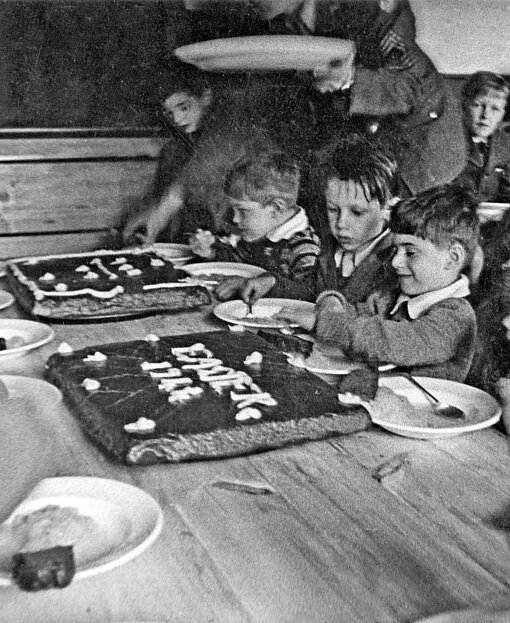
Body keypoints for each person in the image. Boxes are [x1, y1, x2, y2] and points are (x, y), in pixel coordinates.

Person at [277, 185, 480, 382]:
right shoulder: (395, 295)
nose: (395, 262)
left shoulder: (456, 315)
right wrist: (331, 299)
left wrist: (325, 322)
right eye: (396, 251)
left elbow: (393, 341)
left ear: (453, 258)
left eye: (410, 252)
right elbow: (357, 313)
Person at [216, 134, 398, 304]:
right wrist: (272, 282)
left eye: (357, 212)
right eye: (333, 209)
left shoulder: (395, 265)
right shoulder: (333, 252)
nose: (341, 224)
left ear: (389, 208)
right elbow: (311, 292)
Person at [122, 60, 274, 245]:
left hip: (257, 235)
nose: (177, 119)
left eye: (184, 107)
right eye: (169, 113)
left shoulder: (228, 128)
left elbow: (188, 183)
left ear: (206, 97)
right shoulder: (177, 147)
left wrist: (154, 220)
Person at [189, 151, 321, 283]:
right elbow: (238, 262)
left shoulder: (304, 247)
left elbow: (309, 292)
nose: (235, 219)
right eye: (233, 210)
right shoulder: (261, 232)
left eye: (243, 211)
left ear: (276, 208)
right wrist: (210, 253)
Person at [452, 71, 510, 203]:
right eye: (478, 105)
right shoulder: (449, 140)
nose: (486, 115)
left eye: (495, 109)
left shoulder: (506, 144)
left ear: (502, 114)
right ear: (464, 105)